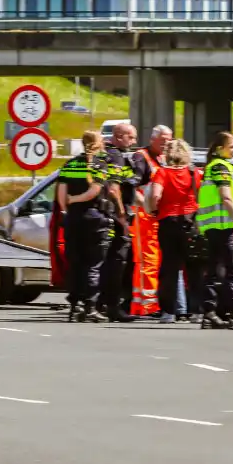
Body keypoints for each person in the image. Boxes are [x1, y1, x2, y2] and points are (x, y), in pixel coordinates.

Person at [150, 139, 220, 326]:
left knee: (169, 269)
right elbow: (202, 197)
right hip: (191, 223)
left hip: (168, 223)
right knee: (195, 269)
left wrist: (153, 209)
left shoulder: (162, 173)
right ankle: (196, 311)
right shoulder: (194, 173)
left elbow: (156, 195)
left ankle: (168, 312)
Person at [194, 131, 233, 330]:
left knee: (213, 272)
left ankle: (210, 314)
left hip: (213, 228)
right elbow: (226, 198)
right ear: (220, 148)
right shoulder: (221, 167)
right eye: (232, 146)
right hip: (223, 226)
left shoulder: (212, 166)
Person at [56, 130, 112, 323]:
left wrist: (70, 206)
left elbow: (61, 197)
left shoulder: (69, 164)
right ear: (98, 143)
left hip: (73, 219)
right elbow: (94, 191)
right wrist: (78, 199)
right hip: (94, 219)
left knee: (75, 265)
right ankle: (90, 306)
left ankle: (75, 306)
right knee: (93, 265)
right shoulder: (100, 165)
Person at [99, 122, 143, 322]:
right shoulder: (115, 155)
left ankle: (98, 304)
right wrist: (122, 214)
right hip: (115, 216)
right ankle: (113, 307)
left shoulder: (103, 154)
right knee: (118, 262)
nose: (133, 142)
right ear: (118, 135)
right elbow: (114, 188)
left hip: (102, 215)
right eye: (131, 137)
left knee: (106, 262)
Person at [130, 125, 172, 316]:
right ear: (152, 139)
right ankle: (145, 306)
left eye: (169, 140)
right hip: (143, 216)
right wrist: (147, 208)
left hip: (158, 216)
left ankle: (150, 303)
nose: (166, 143)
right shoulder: (141, 157)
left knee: (156, 261)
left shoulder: (163, 159)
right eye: (163, 140)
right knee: (146, 261)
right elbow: (133, 188)